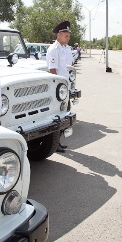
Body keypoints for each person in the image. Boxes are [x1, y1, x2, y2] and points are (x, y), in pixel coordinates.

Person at [46, 20, 74, 153]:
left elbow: (70, 67)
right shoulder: (53, 50)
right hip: (58, 90)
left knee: (65, 114)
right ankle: (54, 143)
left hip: (66, 88)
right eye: (66, 35)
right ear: (58, 35)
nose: (68, 37)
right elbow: (52, 71)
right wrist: (58, 90)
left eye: (69, 35)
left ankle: (59, 141)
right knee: (57, 116)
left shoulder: (67, 49)